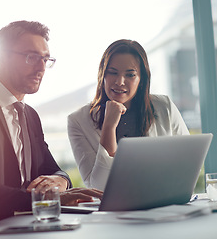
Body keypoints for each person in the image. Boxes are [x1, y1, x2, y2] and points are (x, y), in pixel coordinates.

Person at [0, 20, 102, 238]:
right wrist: (46, 199)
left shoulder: (30, 115)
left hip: (24, 226)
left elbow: (54, 169)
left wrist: (61, 181)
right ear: (2, 56)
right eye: (31, 57)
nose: (41, 67)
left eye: (45, 59)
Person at [67, 39, 189, 191]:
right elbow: (99, 187)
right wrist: (109, 128)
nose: (120, 82)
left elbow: (188, 163)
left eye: (130, 75)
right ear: (102, 75)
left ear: (141, 80)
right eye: (112, 73)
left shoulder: (164, 106)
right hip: (112, 212)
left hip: (163, 201)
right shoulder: (77, 121)